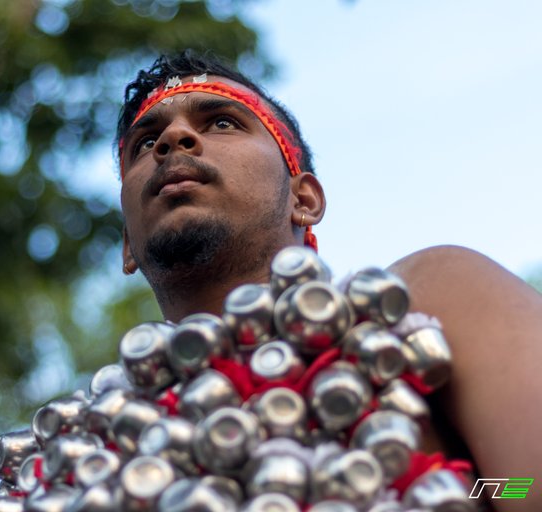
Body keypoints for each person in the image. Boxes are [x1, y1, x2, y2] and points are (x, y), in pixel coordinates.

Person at [116, 50, 541, 511]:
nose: (173, 138)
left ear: (304, 199)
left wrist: (468, 483)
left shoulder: (425, 301)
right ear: (126, 245)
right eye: (145, 142)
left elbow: (524, 486)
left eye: (221, 122)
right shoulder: (94, 439)